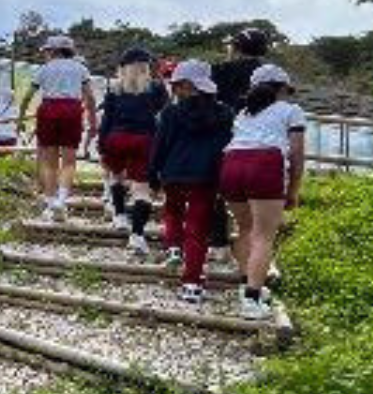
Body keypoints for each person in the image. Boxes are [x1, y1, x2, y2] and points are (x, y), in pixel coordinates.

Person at [219, 64, 306, 319]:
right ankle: (252, 299)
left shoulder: (244, 113)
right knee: (264, 236)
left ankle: (247, 284)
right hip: (266, 164)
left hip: (232, 163)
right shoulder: (292, 111)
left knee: (244, 229)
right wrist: (293, 190)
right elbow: (297, 154)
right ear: (281, 88)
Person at [149, 60, 234, 303]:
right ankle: (192, 284)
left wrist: (153, 173)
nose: (174, 90)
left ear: (187, 85)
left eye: (177, 85)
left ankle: (174, 247)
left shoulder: (171, 113)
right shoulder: (225, 113)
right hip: (206, 177)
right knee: (197, 230)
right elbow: (226, 148)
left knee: (173, 212)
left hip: (174, 172)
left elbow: (160, 145)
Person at [98, 47, 168, 257]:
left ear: (123, 67)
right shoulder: (156, 88)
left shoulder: (114, 89)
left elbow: (106, 121)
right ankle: (137, 236)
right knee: (142, 191)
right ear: (147, 67)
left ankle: (119, 215)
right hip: (145, 140)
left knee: (116, 177)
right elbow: (162, 114)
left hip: (116, 138)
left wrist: (102, 146)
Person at [18, 35, 98, 220]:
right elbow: (90, 98)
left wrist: (21, 118)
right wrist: (93, 122)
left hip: (48, 109)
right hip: (72, 110)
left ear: (53, 51)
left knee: (48, 160)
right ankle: (61, 201)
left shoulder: (44, 69)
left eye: (46, 50)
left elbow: (28, 95)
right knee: (69, 160)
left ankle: (50, 203)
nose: (45, 54)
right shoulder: (81, 69)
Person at [209, 27, 271, 260]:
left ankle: (219, 242)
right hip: (260, 138)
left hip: (224, 133)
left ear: (236, 47)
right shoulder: (268, 74)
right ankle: (255, 247)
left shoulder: (220, 70)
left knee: (218, 187)